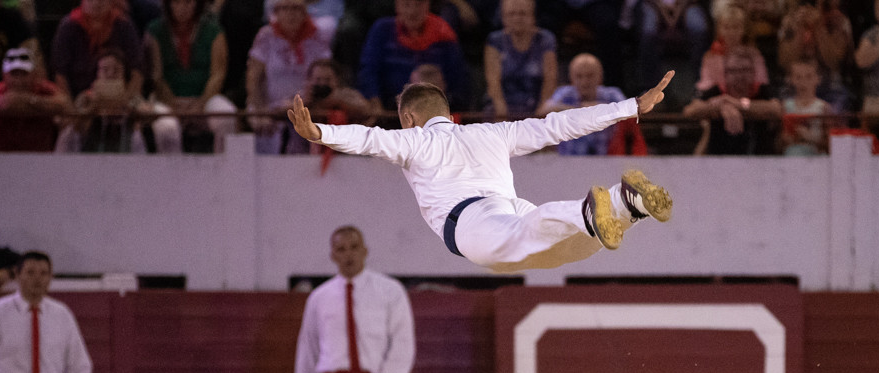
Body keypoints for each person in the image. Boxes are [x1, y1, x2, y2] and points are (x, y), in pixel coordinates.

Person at [286, 72, 676, 272]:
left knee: (549, 234)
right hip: (510, 210)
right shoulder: (492, 133)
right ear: (449, 115)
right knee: (573, 249)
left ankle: (590, 208)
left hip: (472, 223)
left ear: (408, 119)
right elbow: (557, 125)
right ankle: (628, 204)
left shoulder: (414, 141)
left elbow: (369, 138)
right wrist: (629, 107)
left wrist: (320, 132)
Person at [290, 225, 415, 373]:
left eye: (354, 247)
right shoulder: (319, 298)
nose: (349, 254)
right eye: (341, 249)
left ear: (365, 251)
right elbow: (308, 350)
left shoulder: (390, 291)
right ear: (332, 255)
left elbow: (403, 342)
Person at [145, 0, 237, 152]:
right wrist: (173, 105)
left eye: (188, 3)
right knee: (167, 127)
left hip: (204, 98)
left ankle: (224, 169)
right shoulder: (155, 31)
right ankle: (171, 173)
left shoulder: (214, 31)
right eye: (177, 3)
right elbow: (157, 75)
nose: (182, 8)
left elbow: (218, 73)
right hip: (167, 99)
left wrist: (201, 103)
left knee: (226, 117)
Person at [245, 0, 333, 151]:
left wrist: (312, 101)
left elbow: (326, 75)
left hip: (307, 105)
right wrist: (261, 111)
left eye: (296, 8)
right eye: (285, 8)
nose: (291, 13)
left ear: (305, 13)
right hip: (269, 107)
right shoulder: (265, 36)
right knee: (259, 122)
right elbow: (253, 79)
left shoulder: (317, 36)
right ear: (276, 13)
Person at [355, 0, 470, 111]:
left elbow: (458, 80)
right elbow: (368, 71)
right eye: (406, 4)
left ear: (427, 4)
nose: (412, 11)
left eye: (419, 4)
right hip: (390, 113)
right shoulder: (382, 30)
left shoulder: (444, 34)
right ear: (397, 5)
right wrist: (375, 104)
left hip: (434, 112)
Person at [684, 46, 782, 155]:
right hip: (719, 160)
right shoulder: (717, 91)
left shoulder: (763, 90)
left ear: (754, 72)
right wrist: (722, 106)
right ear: (725, 74)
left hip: (760, 161)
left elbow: (776, 109)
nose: (739, 76)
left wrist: (739, 104)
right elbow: (690, 110)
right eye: (733, 71)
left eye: (745, 70)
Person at [50, 0, 145, 103]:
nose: (97, 3)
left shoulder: (124, 25)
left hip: (120, 101)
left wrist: (125, 103)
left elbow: (137, 71)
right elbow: (60, 74)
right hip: (79, 104)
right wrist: (71, 110)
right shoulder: (68, 26)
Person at [0, 46, 71, 152]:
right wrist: (42, 107)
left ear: (34, 75)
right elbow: (4, 104)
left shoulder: (43, 88)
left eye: (24, 74)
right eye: (14, 74)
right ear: (4, 75)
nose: (19, 80)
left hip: (40, 160)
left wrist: (30, 100)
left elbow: (64, 103)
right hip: (2, 160)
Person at [483, 0, 557, 118]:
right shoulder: (495, 41)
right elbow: (493, 81)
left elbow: (550, 78)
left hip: (536, 106)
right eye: (511, 14)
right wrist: (502, 113)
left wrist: (541, 112)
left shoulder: (545, 39)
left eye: (522, 13)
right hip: (503, 107)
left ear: (532, 16)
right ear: (503, 17)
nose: (517, 18)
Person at [775, 0, 853, 112]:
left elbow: (834, 62)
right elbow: (785, 63)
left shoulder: (839, 21)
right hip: (795, 86)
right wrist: (799, 29)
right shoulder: (789, 21)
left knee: (836, 108)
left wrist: (818, 26)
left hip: (830, 87)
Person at [540, 52, 625, 154]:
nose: (584, 82)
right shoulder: (565, 94)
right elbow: (544, 110)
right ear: (571, 78)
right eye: (579, 76)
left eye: (590, 76)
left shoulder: (612, 94)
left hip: (607, 161)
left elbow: (630, 111)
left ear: (600, 77)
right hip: (568, 162)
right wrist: (577, 109)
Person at [279, 58, 371, 153]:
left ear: (337, 80)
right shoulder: (300, 97)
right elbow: (277, 110)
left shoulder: (346, 95)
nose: (322, 84)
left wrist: (339, 103)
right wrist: (305, 103)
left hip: (343, 156)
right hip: (300, 155)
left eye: (327, 80)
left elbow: (367, 110)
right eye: (318, 79)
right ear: (309, 80)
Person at [698, 4, 769, 96]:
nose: (731, 32)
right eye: (727, 27)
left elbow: (761, 83)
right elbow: (706, 88)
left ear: (744, 29)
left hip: (749, 102)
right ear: (719, 30)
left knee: (774, 106)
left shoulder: (753, 55)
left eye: (735, 27)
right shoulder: (711, 56)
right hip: (720, 101)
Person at [779, 57, 830, 155]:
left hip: (815, 160)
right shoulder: (785, 106)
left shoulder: (823, 107)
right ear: (791, 79)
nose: (803, 82)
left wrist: (811, 138)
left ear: (818, 79)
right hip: (791, 157)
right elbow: (778, 144)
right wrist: (784, 139)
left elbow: (829, 144)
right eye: (798, 77)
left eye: (808, 77)